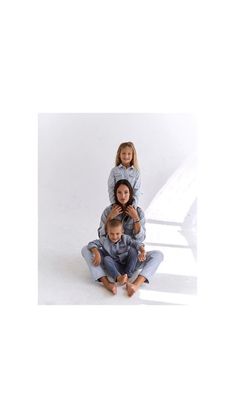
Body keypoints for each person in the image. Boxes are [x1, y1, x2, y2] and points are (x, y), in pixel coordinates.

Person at [81, 179, 164, 297]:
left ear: (130, 194)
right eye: (119, 192)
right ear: (115, 194)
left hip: (132, 258)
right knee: (85, 249)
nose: (122, 196)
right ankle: (107, 283)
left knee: (158, 255)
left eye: (126, 192)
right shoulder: (108, 211)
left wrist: (136, 219)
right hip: (111, 257)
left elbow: (140, 240)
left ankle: (134, 285)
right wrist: (109, 218)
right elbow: (102, 237)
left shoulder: (138, 212)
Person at [88, 219, 146, 287]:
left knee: (133, 250)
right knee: (107, 258)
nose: (115, 237)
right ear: (107, 232)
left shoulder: (126, 238)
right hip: (115, 266)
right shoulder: (104, 240)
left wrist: (143, 251)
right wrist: (96, 253)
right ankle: (118, 277)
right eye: (111, 234)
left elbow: (137, 244)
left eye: (117, 234)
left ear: (122, 232)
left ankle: (128, 275)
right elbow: (91, 244)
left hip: (127, 263)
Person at [108, 141, 141, 207]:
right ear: (119, 155)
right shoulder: (114, 171)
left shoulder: (136, 172)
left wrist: (134, 206)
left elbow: (137, 190)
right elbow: (111, 188)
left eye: (129, 154)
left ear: (133, 155)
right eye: (123, 153)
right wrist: (114, 204)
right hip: (118, 204)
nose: (126, 156)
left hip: (131, 205)